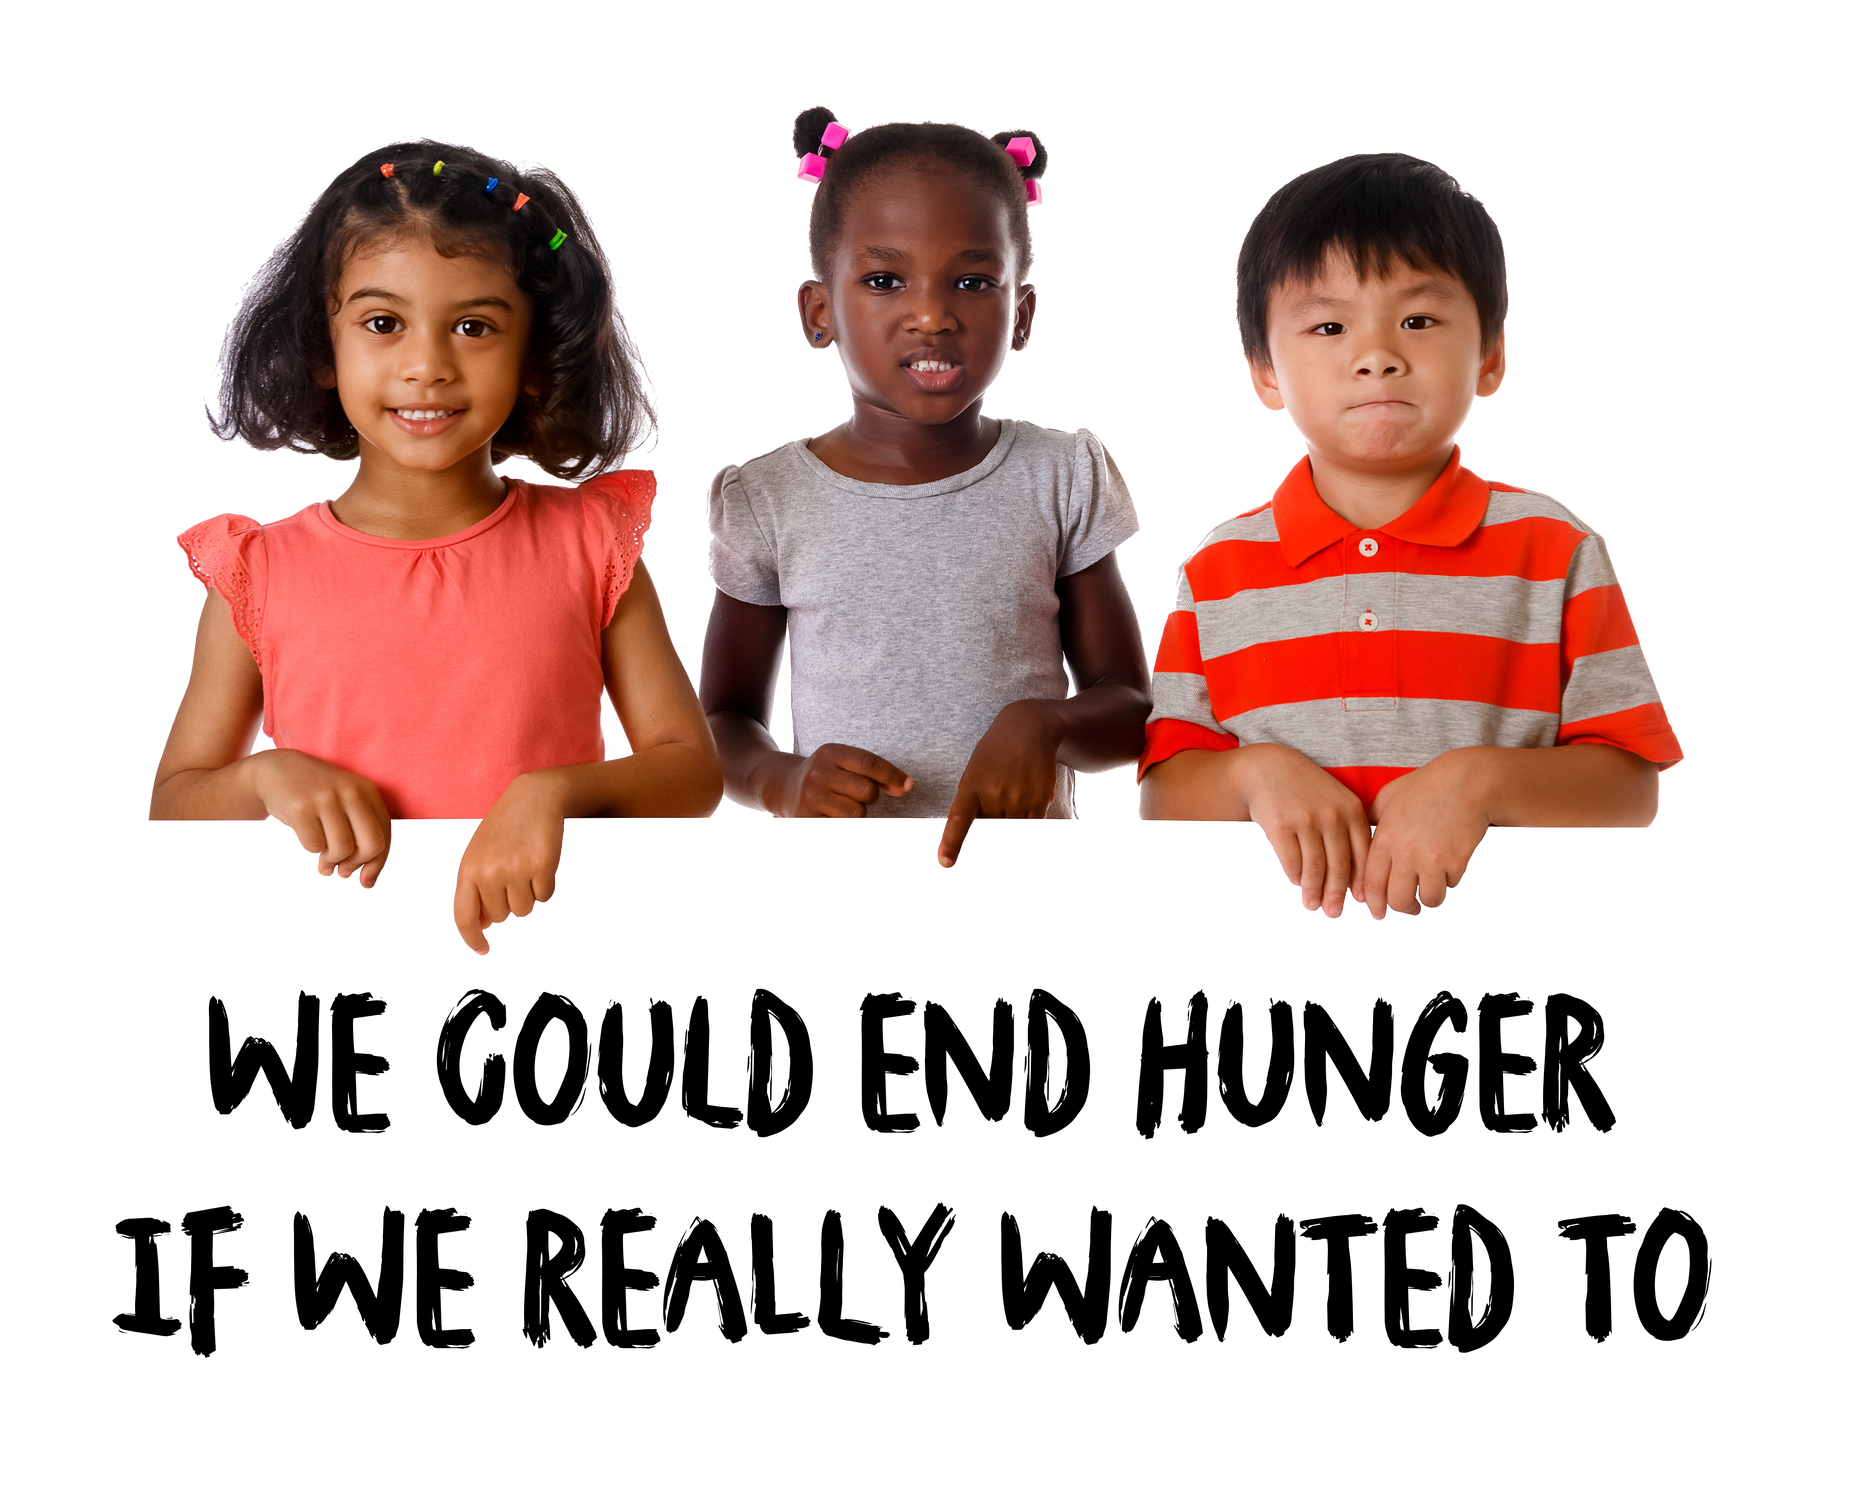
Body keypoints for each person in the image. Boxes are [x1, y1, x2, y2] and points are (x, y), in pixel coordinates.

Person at [150, 139, 721, 955]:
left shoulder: (594, 544)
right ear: (323, 347)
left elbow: (693, 775)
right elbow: (175, 800)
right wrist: (262, 777)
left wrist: (550, 794)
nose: (427, 366)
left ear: (535, 355)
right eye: (383, 323)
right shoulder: (259, 572)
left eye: (474, 326)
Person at [1138, 152, 1681, 920]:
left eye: (1418, 320)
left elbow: (1631, 789)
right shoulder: (1219, 568)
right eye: (1328, 325)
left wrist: (1478, 781)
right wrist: (1255, 775)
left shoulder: (1554, 547)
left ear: (1490, 354)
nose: (1376, 357)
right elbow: (1164, 790)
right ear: (1264, 372)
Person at [698, 106, 1152, 868]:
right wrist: (784, 779)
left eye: (974, 281)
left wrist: (1048, 725)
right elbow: (723, 718)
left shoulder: (1057, 475)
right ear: (818, 313)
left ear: (1022, 314)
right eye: (884, 279)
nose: (933, 315)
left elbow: (1132, 708)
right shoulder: (770, 499)